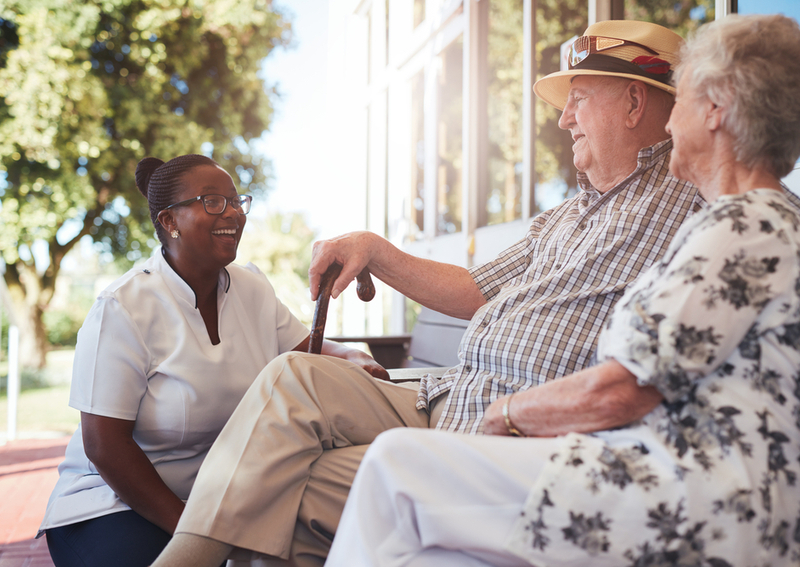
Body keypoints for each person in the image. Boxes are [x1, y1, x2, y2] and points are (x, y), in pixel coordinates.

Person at [153, 19, 796, 566]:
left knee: (294, 483)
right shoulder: (572, 214)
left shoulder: (702, 206)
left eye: (578, 97)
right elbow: (477, 288)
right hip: (459, 396)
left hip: (538, 438)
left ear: (636, 105)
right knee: (293, 380)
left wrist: (516, 413)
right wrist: (375, 248)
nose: (563, 117)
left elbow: (632, 382)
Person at [36, 154, 385, 567]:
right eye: (214, 201)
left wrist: (351, 356)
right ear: (169, 222)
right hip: (113, 503)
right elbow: (104, 445)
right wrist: (194, 534)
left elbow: (304, 348)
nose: (234, 213)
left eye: (238, 202)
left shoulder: (252, 287)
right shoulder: (123, 308)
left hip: (216, 501)